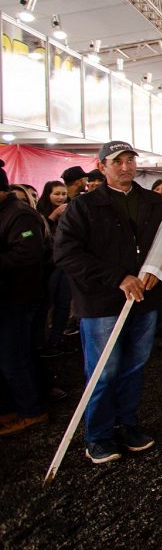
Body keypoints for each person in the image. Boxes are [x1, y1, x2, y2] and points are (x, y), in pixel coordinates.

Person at [54, 141, 162, 463]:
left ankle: (128, 424)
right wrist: (116, 277)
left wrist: (160, 270)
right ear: (102, 166)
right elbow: (66, 253)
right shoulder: (84, 207)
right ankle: (99, 436)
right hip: (102, 303)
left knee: (135, 366)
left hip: (144, 300)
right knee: (104, 370)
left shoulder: (153, 203)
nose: (126, 166)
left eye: (130, 160)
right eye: (117, 161)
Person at [0, 159, 49, 436]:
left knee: (14, 356)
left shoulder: (20, 215)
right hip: (8, 298)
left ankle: (31, 409)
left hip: (17, 298)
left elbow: (28, 255)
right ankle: (13, 406)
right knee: (10, 355)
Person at [36, 181, 73, 355]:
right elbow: (40, 238)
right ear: (47, 194)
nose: (61, 197)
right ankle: (39, 341)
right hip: (48, 267)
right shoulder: (39, 213)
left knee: (64, 303)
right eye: (56, 194)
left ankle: (56, 340)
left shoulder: (71, 211)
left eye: (63, 194)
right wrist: (52, 216)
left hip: (65, 266)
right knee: (46, 304)